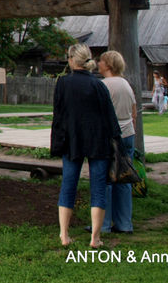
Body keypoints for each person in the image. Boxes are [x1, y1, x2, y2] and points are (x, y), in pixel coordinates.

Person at [51, 44, 121, 248]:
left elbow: (59, 115)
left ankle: (64, 235)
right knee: (98, 188)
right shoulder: (98, 85)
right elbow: (110, 118)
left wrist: (57, 142)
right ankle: (95, 238)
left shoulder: (63, 83)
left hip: (72, 141)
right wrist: (117, 143)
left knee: (68, 185)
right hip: (98, 141)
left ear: (72, 60)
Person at [98, 50, 136, 234]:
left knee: (105, 179)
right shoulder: (126, 84)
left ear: (108, 65)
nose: (98, 63)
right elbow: (133, 112)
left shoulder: (103, 85)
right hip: (128, 133)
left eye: (101, 61)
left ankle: (102, 224)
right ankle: (124, 223)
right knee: (123, 177)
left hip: (109, 135)